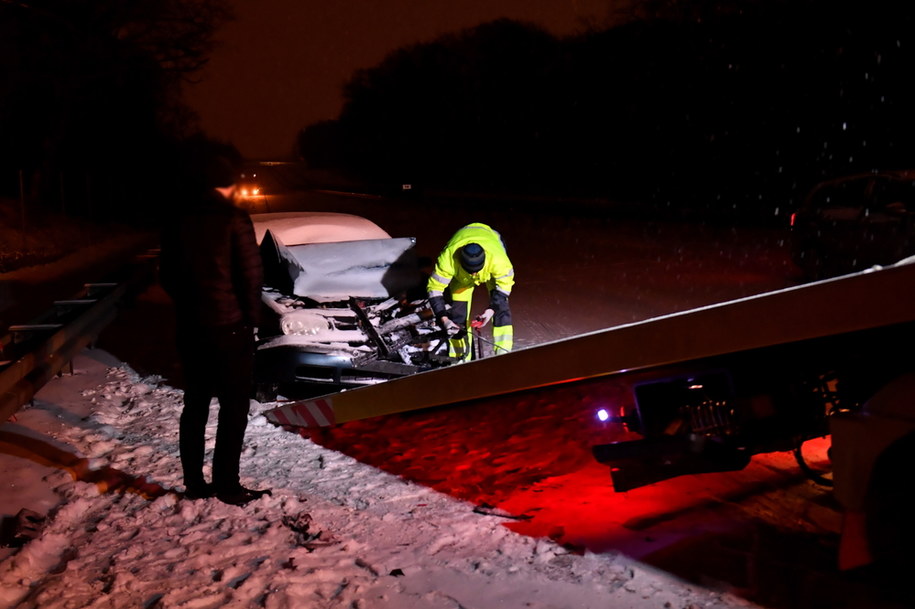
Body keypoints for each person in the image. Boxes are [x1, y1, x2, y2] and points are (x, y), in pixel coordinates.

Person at [159, 139, 270, 506]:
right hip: (230, 329)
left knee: (195, 405)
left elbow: (167, 276)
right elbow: (251, 277)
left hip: (191, 328)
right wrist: (251, 323)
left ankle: (194, 483)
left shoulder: (178, 219)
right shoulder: (234, 219)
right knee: (233, 408)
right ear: (228, 183)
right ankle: (227, 484)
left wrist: (189, 307)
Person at [427, 222, 515, 360]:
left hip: (491, 245)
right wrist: (444, 319)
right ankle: (459, 357)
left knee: (501, 308)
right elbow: (434, 290)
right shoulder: (448, 259)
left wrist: (491, 310)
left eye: (476, 271)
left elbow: (504, 288)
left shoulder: (499, 260)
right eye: (470, 271)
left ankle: (503, 355)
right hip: (462, 278)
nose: (474, 275)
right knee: (457, 315)